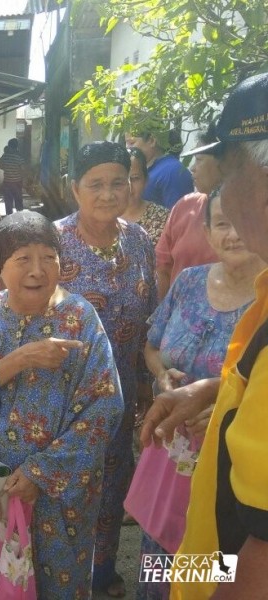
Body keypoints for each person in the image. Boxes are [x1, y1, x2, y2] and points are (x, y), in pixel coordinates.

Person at [140, 71, 268, 599]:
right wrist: (212, 390)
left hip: (228, 567)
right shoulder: (196, 284)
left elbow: (260, 549)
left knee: (181, 574)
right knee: (159, 567)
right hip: (175, 485)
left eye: (222, 171)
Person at [0, 211, 123, 599]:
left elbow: (105, 406)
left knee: (57, 576)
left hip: (58, 489)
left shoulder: (80, 317)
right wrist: (20, 359)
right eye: (23, 259)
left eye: (49, 257)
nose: (38, 270)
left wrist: (41, 473)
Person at [127, 189, 264, 600]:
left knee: (212, 568)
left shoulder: (265, 301)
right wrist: (162, 376)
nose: (233, 234)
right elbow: (151, 346)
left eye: (244, 221)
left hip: (225, 468)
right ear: (206, 230)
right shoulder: (187, 283)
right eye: (221, 223)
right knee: (157, 562)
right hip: (168, 456)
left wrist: (223, 409)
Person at [55, 141, 157, 598]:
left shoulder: (138, 240)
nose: (109, 193)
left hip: (122, 396)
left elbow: (149, 314)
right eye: (95, 184)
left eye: (120, 181)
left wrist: (146, 388)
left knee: (113, 486)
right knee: (68, 488)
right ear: (74, 188)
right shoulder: (51, 241)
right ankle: (60, 575)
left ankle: (102, 573)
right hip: (63, 398)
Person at [154, 128, 221, 301]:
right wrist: (164, 317)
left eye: (199, 160)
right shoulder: (185, 206)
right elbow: (163, 268)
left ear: (224, 162)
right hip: (181, 317)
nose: (192, 168)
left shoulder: (251, 212)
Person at [126, 128, 194, 210]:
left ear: (151, 141)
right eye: (126, 143)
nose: (127, 147)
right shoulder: (151, 169)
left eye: (131, 143)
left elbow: (179, 217)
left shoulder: (172, 172)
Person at [123, 147, 170, 245]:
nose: (129, 187)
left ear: (146, 180)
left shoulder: (163, 218)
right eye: (122, 180)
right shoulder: (101, 217)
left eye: (135, 178)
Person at [0, 138, 25, 215]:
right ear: (17, 147)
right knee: (18, 200)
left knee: (8, 201)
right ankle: (20, 216)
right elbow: (23, 169)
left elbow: (1, 164)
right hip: (17, 182)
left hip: (7, 182)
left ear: (9, 146)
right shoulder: (19, 157)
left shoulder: (5, 156)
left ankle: (9, 217)